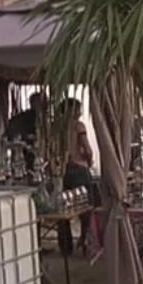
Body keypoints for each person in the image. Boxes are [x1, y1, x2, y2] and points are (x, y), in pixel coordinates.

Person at [57, 98, 95, 256]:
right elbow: (87, 148)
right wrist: (90, 160)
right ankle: (85, 241)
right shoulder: (78, 126)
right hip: (79, 168)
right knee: (85, 208)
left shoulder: (56, 127)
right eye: (78, 109)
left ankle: (66, 246)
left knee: (63, 209)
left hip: (62, 170)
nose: (80, 112)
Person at [7, 91, 47, 171]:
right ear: (33, 104)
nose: (46, 106)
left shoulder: (44, 119)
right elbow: (12, 138)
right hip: (24, 157)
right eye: (43, 103)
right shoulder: (23, 119)